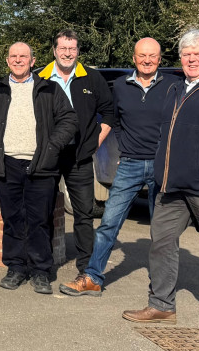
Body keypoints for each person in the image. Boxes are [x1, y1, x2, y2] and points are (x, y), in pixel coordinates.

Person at [61, 38, 179, 296]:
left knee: (161, 231)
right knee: (108, 223)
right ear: (134, 57)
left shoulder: (174, 86)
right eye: (141, 55)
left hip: (162, 166)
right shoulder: (121, 87)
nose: (147, 60)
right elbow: (112, 118)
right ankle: (92, 277)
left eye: (152, 56)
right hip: (129, 164)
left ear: (160, 59)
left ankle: (162, 290)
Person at [123, 29, 199, 343]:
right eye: (186, 54)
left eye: (198, 54)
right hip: (172, 186)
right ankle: (162, 305)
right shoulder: (174, 88)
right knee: (161, 242)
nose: (191, 59)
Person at [0, 42, 76, 294]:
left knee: (40, 220)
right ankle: (16, 267)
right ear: (7, 61)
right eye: (13, 56)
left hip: (41, 165)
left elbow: (69, 120)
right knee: (13, 219)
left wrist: (51, 147)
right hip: (6, 165)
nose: (18, 60)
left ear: (32, 61)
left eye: (23, 56)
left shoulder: (49, 89)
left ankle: (41, 271)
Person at [38, 29, 114, 279]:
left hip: (80, 157)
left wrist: (95, 142)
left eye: (72, 49)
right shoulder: (40, 79)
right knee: (45, 211)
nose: (67, 53)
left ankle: (86, 269)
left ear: (78, 51)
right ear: (54, 50)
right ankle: (44, 266)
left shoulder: (92, 78)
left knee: (84, 214)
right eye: (63, 48)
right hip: (49, 156)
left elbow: (109, 113)